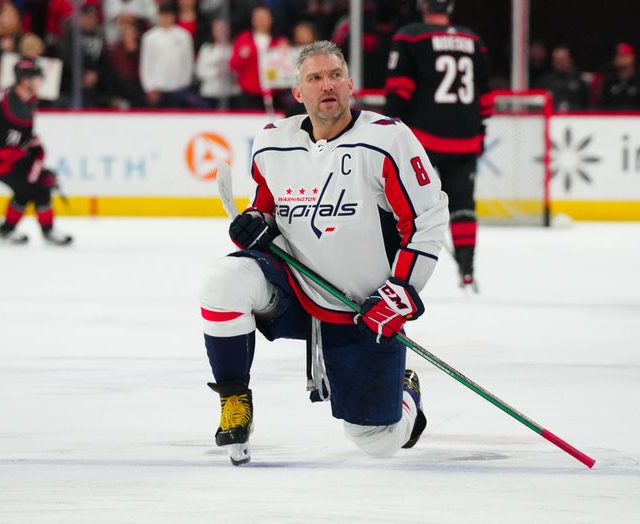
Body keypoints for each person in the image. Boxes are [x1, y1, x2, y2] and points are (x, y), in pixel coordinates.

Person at [200, 40, 448, 465]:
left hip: (361, 308)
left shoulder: (387, 140)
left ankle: (405, 392)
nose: (326, 85)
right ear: (298, 93)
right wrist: (255, 225)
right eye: (314, 78)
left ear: (351, 85)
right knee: (224, 281)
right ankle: (234, 401)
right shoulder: (273, 142)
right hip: (296, 290)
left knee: (378, 441)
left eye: (334, 75)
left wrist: (400, 294)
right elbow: (267, 209)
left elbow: (427, 218)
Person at [383, 0, 491, 291]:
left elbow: (399, 90)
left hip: (422, 138)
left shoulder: (410, 36)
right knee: (463, 204)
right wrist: (479, 131)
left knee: (402, 203)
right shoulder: (472, 40)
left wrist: (387, 129)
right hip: (465, 137)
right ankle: (467, 271)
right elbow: (486, 95)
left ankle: (397, 267)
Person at [0, 59, 72, 245]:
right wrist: (34, 164)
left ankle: (7, 230)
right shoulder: (17, 110)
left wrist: (33, 160)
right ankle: (48, 231)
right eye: (38, 78)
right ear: (25, 81)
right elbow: (7, 151)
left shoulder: (11, 94)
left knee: (26, 189)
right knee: (38, 189)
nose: (41, 82)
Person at [229, 4, 289, 110]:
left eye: (264, 17)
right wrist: (243, 55)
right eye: (258, 17)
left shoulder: (279, 41)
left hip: (274, 92)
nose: (261, 20)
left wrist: (285, 51)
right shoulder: (244, 38)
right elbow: (233, 65)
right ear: (252, 20)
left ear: (271, 19)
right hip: (249, 93)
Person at [139, 2, 196, 108]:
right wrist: (149, 87)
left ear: (173, 16)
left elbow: (187, 62)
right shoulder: (150, 37)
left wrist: (184, 84)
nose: (165, 18)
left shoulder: (183, 36)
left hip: (178, 88)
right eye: (163, 15)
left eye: (168, 15)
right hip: (157, 88)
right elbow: (146, 63)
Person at [597, 43, 640, 110]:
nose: (620, 59)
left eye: (622, 55)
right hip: (614, 119)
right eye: (617, 55)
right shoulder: (608, 83)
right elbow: (602, 107)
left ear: (632, 57)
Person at [535, 45, 590, 111]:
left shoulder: (579, 81)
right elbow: (537, 105)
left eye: (563, 59)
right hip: (551, 118)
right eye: (557, 60)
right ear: (553, 62)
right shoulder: (545, 81)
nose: (561, 63)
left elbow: (587, 105)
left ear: (570, 60)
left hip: (575, 118)